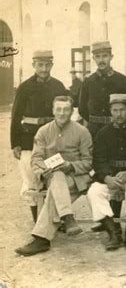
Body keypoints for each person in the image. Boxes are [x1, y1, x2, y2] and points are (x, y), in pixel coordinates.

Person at [15, 96, 93, 256]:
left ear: (72, 112)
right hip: (51, 177)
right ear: (53, 111)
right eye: (58, 109)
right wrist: (42, 170)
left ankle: (41, 239)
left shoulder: (83, 132)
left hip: (76, 178)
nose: (62, 113)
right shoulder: (43, 131)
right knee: (57, 176)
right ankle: (67, 217)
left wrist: (70, 165)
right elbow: (36, 159)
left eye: (66, 110)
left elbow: (88, 162)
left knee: (55, 188)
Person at [79, 40, 126, 230]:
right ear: (93, 58)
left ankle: (115, 215)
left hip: (118, 128)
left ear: (111, 57)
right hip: (96, 131)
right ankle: (106, 218)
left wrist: (116, 121)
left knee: (117, 164)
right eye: (98, 56)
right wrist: (97, 123)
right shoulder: (88, 82)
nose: (101, 60)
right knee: (101, 169)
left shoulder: (122, 80)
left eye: (105, 56)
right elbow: (82, 109)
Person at [10, 50, 67, 223]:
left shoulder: (58, 86)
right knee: (32, 179)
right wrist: (15, 144)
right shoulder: (25, 87)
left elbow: (65, 113)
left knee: (53, 178)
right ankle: (38, 222)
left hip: (53, 140)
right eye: (40, 65)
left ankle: (56, 219)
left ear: (52, 65)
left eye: (47, 65)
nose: (44, 68)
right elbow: (16, 115)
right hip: (29, 139)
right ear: (33, 65)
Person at [87, 94, 126, 251]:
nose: (118, 114)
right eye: (115, 110)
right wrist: (107, 177)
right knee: (94, 192)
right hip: (109, 177)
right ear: (110, 111)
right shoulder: (103, 133)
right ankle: (113, 232)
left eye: (122, 110)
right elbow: (97, 160)